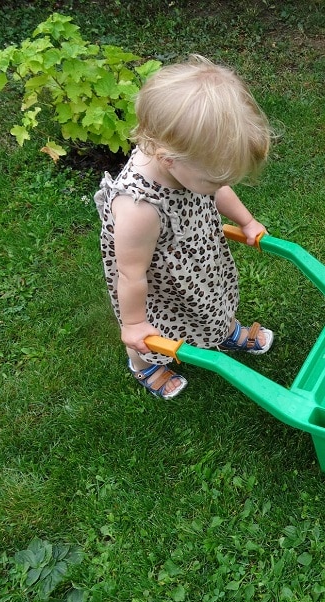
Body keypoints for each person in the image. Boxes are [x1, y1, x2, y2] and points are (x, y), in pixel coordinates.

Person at [94, 55, 275, 399]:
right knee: (157, 326)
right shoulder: (139, 209)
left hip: (198, 256)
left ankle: (221, 330)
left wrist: (246, 221)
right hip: (155, 281)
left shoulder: (189, 164)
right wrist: (133, 323)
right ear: (167, 160)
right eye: (211, 181)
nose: (217, 187)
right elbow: (130, 274)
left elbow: (219, 189)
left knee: (211, 297)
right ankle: (143, 362)